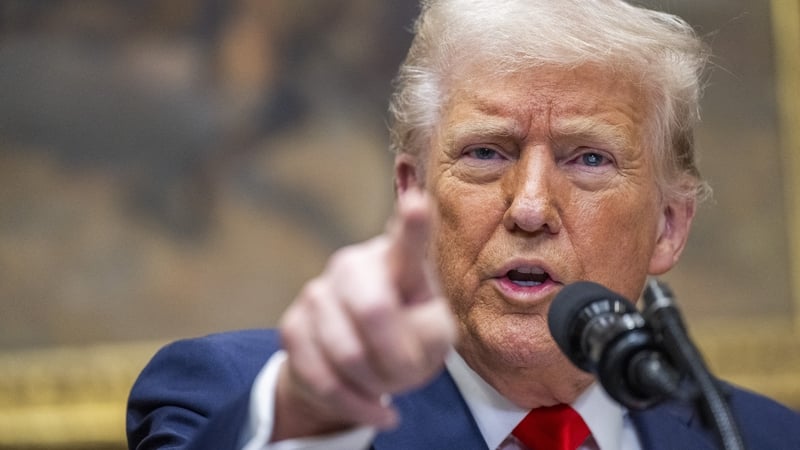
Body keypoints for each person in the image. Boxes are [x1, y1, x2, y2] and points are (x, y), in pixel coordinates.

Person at [127, 0, 800, 449]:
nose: (529, 208)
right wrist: (308, 420)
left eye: (589, 159)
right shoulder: (237, 400)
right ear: (411, 194)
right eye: (486, 153)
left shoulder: (762, 439)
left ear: (669, 226)